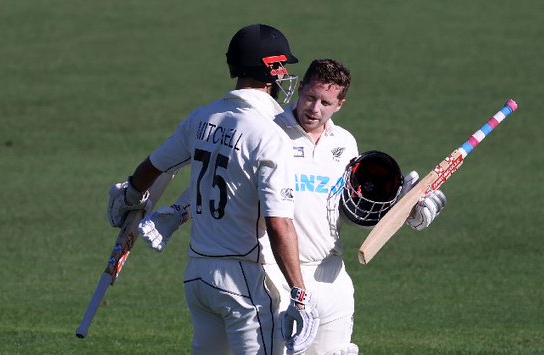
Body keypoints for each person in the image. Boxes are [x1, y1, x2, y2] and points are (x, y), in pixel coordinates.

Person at [138, 59, 447, 354]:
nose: (314, 109)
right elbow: (228, 184)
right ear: (300, 89)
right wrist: (178, 213)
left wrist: (401, 206)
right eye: (311, 97)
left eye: (326, 103)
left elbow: (350, 210)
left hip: (332, 275)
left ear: (341, 105)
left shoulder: (345, 144)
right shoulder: (270, 132)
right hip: (281, 276)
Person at [106, 24, 320, 355]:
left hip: (199, 276)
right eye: (280, 66)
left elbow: (154, 166)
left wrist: (130, 197)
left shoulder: (203, 117)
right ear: (266, 69)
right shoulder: (271, 135)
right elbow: (279, 223)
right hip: (244, 280)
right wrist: (300, 294)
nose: (284, 73)